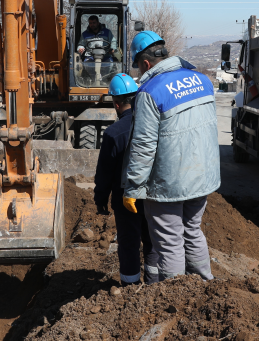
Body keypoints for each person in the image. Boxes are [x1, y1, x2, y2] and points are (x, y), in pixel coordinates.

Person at [122, 31, 220, 282]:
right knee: (192, 231)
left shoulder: (149, 91)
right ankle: (204, 286)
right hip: (202, 179)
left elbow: (143, 146)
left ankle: (173, 302)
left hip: (169, 184)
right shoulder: (202, 80)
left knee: (169, 242)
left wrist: (133, 188)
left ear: (145, 64)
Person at [94, 73, 159, 286]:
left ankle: (130, 286)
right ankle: (155, 284)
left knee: (129, 242)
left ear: (116, 103)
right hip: (152, 194)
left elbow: (105, 171)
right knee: (152, 240)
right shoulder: (154, 124)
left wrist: (101, 199)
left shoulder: (113, 133)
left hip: (125, 199)